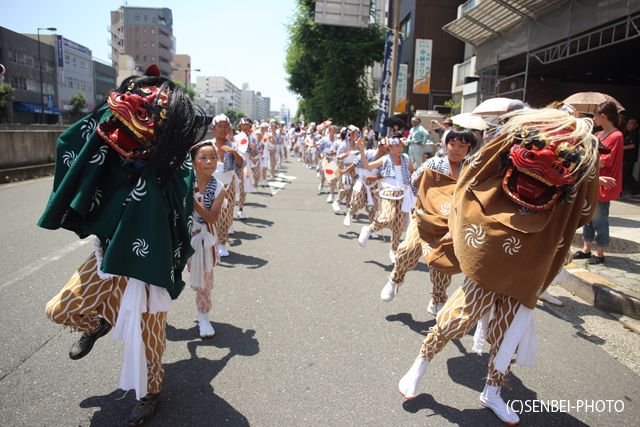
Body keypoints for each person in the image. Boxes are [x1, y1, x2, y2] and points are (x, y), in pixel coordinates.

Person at [398, 109, 600, 426]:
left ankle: (493, 391)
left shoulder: (581, 158)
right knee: (457, 317)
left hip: (531, 259)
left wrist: (591, 179)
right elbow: (477, 169)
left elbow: (584, 211)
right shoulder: (519, 139)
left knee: (508, 335)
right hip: (492, 251)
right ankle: (420, 363)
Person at [41, 71, 209, 425]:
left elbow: (176, 210)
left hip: (150, 263)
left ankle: (150, 394)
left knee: (149, 342)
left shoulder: (176, 167)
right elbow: (76, 147)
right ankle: (100, 322)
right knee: (59, 309)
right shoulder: (109, 153)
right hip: (108, 254)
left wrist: (153, 171)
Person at [380, 129, 476, 317]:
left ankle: (438, 299)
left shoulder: (472, 170)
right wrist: (420, 177)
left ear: (469, 148)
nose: (456, 149)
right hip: (425, 216)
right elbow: (415, 186)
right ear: (445, 145)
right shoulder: (434, 163)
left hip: (451, 224)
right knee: (410, 248)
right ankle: (395, 278)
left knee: (442, 261)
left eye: (462, 146)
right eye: (452, 144)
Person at [573, 101, 625, 265]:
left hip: (603, 183)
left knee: (599, 218)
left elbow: (603, 162)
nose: (593, 119)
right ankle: (586, 249)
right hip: (593, 180)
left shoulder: (617, 136)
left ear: (602, 116)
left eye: (595, 115)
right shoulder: (597, 135)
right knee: (588, 216)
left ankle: (600, 252)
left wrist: (592, 154)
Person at [357, 132, 416, 263]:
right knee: (387, 217)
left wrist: (416, 177)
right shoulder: (385, 159)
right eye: (396, 146)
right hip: (389, 192)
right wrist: (362, 150)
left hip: (404, 193)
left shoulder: (406, 158)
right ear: (389, 146)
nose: (400, 149)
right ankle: (368, 229)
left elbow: (413, 171)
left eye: (401, 146)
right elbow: (367, 166)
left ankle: (393, 250)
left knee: (400, 225)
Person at [188, 140, 226, 339]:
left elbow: (212, 217)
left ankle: (204, 318)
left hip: (205, 238)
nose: (209, 161)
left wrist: (192, 202)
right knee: (167, 275)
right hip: (182, 235)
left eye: (213, 157)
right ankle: (157, 314)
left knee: (204, 281)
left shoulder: (219, 187)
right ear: (194, 163)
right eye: (203, 157)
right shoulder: (184, 182)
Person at [210, 114, 246, 257]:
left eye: (226, 126)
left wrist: (234, 152)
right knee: (208, 212)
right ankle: (209, 242)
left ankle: (222, 243)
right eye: (220, 126)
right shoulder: (208, 145)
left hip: (228, 184)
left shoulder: (232, 146)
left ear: (230, 129)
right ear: (213, 128)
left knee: (225, 214)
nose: (223, 129)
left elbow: (241, 164)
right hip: (210, 183)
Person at [343, 138, 389, 229]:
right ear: (380, 145)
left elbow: (385, 173)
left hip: (374, 183)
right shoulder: (369, 152)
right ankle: (350, 214)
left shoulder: (387, 159)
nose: (388, 147)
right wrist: (345, 170)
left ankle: (372, 228)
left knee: (374, 207)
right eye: (386, 145)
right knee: (357, 202)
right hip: (363, 180)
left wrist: (375, 178)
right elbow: (357, 162)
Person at [236, 117, 257, 217]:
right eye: (243, 125)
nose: (245, 127)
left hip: (247, 162)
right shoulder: (235, 138)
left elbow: (253, 155)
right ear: (239, 126)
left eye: (247, 125)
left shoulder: (252, 139)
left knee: (243, 188)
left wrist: (253, 149)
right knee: (232, 186)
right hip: (235, 163)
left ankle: (240, 209)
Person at [623, 118, 639, 194]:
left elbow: (632, 145)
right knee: (628, 175)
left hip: (629, 158)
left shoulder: (635, 134)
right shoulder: (628, 134)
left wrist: (621, 148)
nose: (628, 125)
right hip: (625, 157)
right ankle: (635, 191)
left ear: (636, 125)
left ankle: (620, 192)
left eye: (631, 123)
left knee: (625, 175)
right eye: (628, 123)